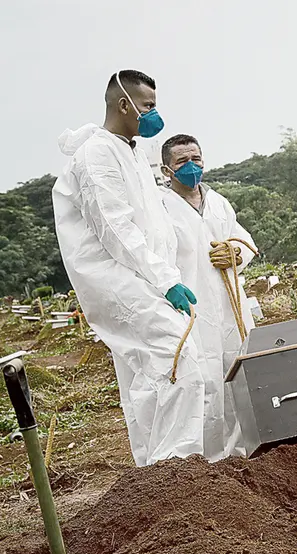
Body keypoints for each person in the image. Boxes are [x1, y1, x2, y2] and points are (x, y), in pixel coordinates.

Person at [51, 70, 215, 467]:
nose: (154, 116)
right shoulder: (97, 155)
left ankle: (151, 472)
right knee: (181, 360)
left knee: (145, 381)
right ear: (123, 104)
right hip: (120, 280)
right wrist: (166, 280)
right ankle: (176, 468)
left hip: (142, 279)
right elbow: (116, 229)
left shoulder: (131, 151)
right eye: (148, 107)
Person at [160, 133, 257, 458]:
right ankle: (210, 463)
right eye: (182, 162)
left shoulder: (219, 203)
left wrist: (234, 254)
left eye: (196, 159)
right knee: (204, 386)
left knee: (237, 377)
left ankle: (244, 455)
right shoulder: (161, 210)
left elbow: (245, 244)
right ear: (166, 170)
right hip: (192, 312)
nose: (191, 167)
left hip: (231, 309)